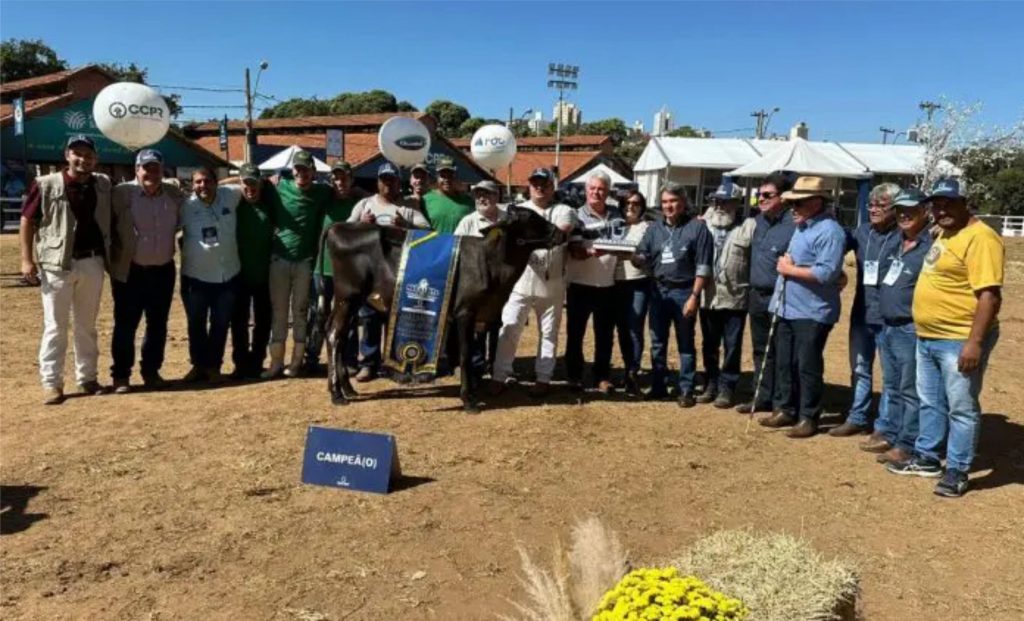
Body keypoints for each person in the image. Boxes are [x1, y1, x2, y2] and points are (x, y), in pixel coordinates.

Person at [887, 178, 1003, 498]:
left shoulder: (981, 238)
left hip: (958, 338)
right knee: (930, 401)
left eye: (948, 203)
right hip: (929, 336)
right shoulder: (946, 233)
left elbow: (990, 297)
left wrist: (975, 343)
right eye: (936, 204)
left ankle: (957, 469)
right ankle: (927, 457)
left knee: (961, 407)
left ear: (966, 202)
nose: (941, 209)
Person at [19, 134, 111, 404]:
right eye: (77, 153)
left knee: (87, 325)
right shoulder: (46, 184)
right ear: (67, 156)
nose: (83, 159)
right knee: (55, 326)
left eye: (89, 155)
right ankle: (52, 383)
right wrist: (27, 260)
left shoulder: (103, 184)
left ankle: (87, 378)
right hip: (56, 266)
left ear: (96, 159)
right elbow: (27, 221)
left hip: (92, 262)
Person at [759, 176, 846, 438]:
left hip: (812, 310)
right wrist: (789, 262)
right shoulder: (802, 226)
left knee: (806, 365)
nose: (794, 208)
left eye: (800, 203)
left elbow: (827, 273)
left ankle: (808, 416)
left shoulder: (830, 231)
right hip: (786, 306)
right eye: (793, 203)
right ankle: (786, 408)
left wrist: (790, 269)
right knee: (785, 361)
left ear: (817, 202)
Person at [492, 167, 577, 398]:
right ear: (528, 186)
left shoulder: (564, 210)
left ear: (552, 187)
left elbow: (559, 234)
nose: (539, 187)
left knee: (549, 333)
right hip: (521, 281)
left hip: (553, 283)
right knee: (509, 328)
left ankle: (543, 377)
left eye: (544, 183)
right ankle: (499, 375)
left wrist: (525, 238)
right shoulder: (518, 211)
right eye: (535, 183)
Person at [830, 184, 900, 448]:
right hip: (862, 313)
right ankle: (857, 417)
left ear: (895, 209)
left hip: (892, 318)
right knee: (859, 368)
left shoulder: (903, 236)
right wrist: (836, 271)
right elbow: (834, 245)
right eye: (871, 204)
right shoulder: (861, 232)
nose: (873, 209)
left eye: (881, 205)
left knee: (892, 376)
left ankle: (885, 427)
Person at [108, 148, 183, 394]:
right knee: (126, 325)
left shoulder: (173, 194)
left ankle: (151, 372)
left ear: (162, 170)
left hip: (163, 270)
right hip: (131, 271)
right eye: (146, 167)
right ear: (136, 169)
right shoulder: (121, 194)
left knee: (158, 324)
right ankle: (121, 376)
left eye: (156, 168)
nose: (151, 172)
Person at [631, 182, 712, 407]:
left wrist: (694, 296)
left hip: (685, 290)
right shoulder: (654, 229)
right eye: (665, 201)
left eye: (673, 201)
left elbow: (703, 265)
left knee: (685, 342)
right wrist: (637, 259)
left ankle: (685, 389)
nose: (668, 206)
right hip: (658, 291)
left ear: (683, 203)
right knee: (657, 342)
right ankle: (658, 386)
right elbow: (643, 254)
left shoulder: (697, 228)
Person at [347, 161, 430, 381]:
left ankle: (395, 364)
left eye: (392, 180)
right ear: (378, 182)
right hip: (371, 274)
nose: (388, 185)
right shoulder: (365, 204)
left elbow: (429, 231)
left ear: (398, 182)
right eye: (384, 180)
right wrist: (361, 224)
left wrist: (407, 226)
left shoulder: (408, 207)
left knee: (398, 319)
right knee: (370, 317)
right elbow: (344, 231)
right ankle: (369, 364)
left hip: (401, 274)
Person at [874, 188, 931, 466]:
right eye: (899, 210)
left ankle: (907, 443)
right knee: (891, 384)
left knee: (910, 389)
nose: (904, 215)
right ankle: (892, 434)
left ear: (924, 211)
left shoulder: (930, 247)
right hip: (888, 325)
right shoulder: (895, 241)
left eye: (910, 209)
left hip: (910, 327)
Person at [264, 149, 333, 379]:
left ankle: (295, 363)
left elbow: (347, 191)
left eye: (306, 169)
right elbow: (246, 184)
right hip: (279, 260)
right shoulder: (278, 187)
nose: (302, 173)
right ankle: (275, 362)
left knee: (301, 311)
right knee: (279, 312)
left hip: (305, 262)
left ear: (314, 172)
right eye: (298, 169)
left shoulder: (322, 192)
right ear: (292, 171)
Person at [736, 173, 795, 414]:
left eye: (767, 195)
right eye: (758, 195)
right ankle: (761, 395)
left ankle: (783, 404)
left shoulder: (793, 224)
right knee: (760, 350)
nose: (761, 199)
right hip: (756, 295)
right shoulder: (758, 222)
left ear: (782, 198)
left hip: (781, 296)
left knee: (782, 352)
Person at [179, 167, 242, 383]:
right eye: (197, 182)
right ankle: (198, 366)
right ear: (192, 184)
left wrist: (223, 183)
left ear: (216, 182)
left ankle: (213, 366)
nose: (202, 186)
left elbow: (246, 180)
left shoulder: (230, 195)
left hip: (227, 275)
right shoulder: (185, 205)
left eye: (207, 181)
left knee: (220, 324)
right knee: (196, 324)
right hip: (195, 277)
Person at [698, 184, 756, 408]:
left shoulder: (748, 226)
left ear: (737, 204)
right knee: (709, 343)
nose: (721, 206)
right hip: (709, 296)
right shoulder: (704, 226)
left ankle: (727, 387)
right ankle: (710, 383)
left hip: (735, 297)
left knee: (732, 345)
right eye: (717, 201)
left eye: (727, 201)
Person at [304, 160, 364, 374]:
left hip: (349, 273)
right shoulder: (324, 200)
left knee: (349, 314)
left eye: (344, 178)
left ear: (351, 180)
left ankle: (349, 359)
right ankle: (311, 358)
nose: (340, 182)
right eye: (336, 178)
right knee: (319, 313)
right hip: (323, 268)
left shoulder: (360, 204)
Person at [565, 172, 622, 394]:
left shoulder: (617, 216)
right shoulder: (576, 216)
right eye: (592, 188)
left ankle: (602, 376)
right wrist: (591, 252)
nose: (596, 192)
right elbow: (574, 250)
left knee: (605, 335)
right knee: (575, 334)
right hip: (580, 284)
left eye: (601, 189)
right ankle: (574, 376)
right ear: (586, 191)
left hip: (608, 285)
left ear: (607, 192)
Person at [229, 163, 278, 378]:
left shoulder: (270, 207)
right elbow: (218, 185)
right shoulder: (234, 205)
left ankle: (257, 361)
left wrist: (267, 183)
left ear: (261, 185)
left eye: (254, 184)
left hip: (265, 276)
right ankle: (240, 364)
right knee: (238, 323)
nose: (250, 188)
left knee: (263, 322)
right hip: (238, 275)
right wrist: (236, 181)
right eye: (245, 184)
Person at [454, 179, 506, 376]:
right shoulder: (468, 222)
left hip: (502, 287)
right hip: (476, 287)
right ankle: (476, 366)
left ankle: (497, 366)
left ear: (497, 196)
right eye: (478, 194)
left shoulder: (508, 219)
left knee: (500, 327)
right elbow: (455, 250)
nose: (482, 198)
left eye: (487, 194)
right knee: (477, 328)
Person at [612, 191, 651, 396]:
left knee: (635, 328)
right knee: (621, 329)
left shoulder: (647, 228)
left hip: (638, 282)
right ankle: (628, 369)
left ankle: (633, 371)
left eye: (636, 203)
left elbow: (648, 255)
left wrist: (630, 255)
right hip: (616, 282)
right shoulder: (616, 226)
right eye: (627, 203)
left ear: (642, 206)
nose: (631, 206)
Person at [422, 156, 474, 233]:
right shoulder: (425, 200)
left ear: (456, 176)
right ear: (437, 177)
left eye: (450, 176)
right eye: (443, 176)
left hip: (459, 244)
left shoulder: (469, 202)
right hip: (434, 244)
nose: (447, 180)